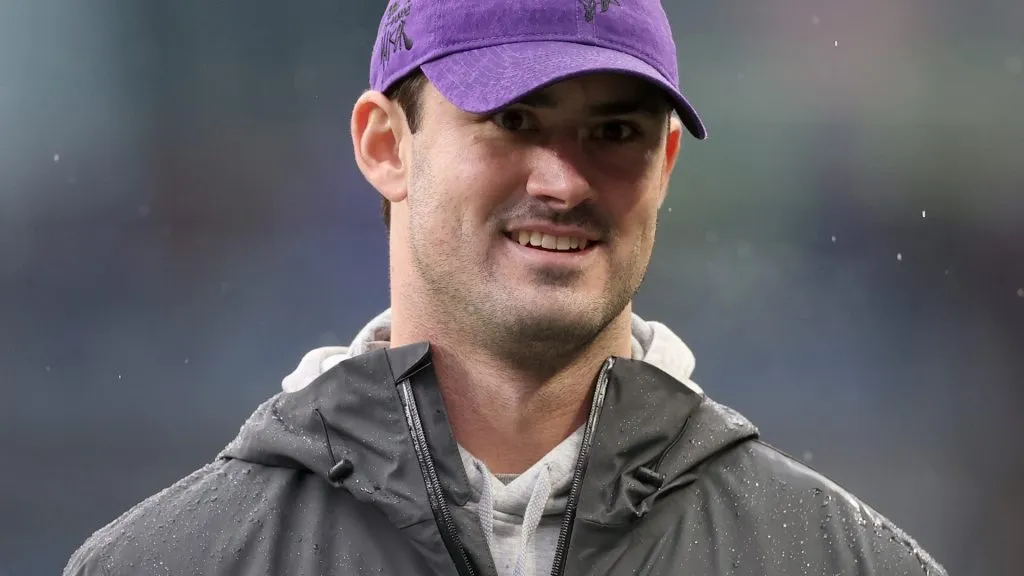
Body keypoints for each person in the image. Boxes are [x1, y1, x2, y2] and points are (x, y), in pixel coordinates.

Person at [65, 0, 947, 575]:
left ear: (666, 163)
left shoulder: (848, 562)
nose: (563, 181)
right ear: (384, 145)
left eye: (614, 129)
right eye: (511, 121)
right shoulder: (166, 562)